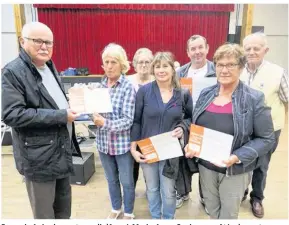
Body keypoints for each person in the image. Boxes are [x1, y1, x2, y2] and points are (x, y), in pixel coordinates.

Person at [185, 43, 275, 219]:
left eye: (231, 65)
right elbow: (197, 125)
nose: (224, 70)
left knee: (228, 215)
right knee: (211, 209)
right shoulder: (206, 93)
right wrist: (191, 144)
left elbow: (266, 139)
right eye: (220, 64)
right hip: (206, 166)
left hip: (234, 169)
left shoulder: (253, 98)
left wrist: (237, 156)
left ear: (241, 67)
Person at [1, 22, 82, 219]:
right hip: (38, 159)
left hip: (60, 152)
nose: (44, 46)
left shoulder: (48, 66)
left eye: (48, 42)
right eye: (38, 41)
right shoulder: (12, 72)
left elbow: (51, 102)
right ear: (22, 41)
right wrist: (62, 115)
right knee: (45, 215)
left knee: (63, 212)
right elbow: (12, 114)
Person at [130, 52, 193, 219]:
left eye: (165, 66)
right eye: (157, 66)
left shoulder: (183, 93)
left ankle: (168, 218)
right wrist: (133, 148)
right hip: (147, 148)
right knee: (151, 188)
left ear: (173, 69)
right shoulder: (144, 92)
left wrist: (182, 126)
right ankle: (156, 217)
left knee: (168, 190)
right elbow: (136, 121)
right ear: (153, 70)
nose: (161, 70)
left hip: (169, 151)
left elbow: (189, 118)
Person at [240, 32, 288, 218]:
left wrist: (279, 123)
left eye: (256, 48)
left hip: (268, 131)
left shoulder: (278, 72)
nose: (251, 52)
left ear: (265, 50)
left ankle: (257, 197)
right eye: (248, 48)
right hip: (243, 127)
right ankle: (241, 191)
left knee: (261, 165)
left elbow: (286, 100)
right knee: (242, 160)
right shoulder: (239, 69)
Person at [92, 43, 136, 219]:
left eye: (113, 62)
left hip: (122, 145)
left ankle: (129, 212)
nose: (109, 66)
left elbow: (127, 121)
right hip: (103, 143)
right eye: (106, 62)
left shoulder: (127, 87)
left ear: (122, 64)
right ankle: (116, 208)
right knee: (111, 180)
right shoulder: (100, 85)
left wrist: (104, 122)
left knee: (126, 182)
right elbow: (96, 115)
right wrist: (91, 113)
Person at [176, 34, 217, 209]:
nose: (197, 52)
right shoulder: (180, 73)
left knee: (206, 163)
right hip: (186, 123)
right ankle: (183, 193)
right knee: (183, 160)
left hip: (210, 123)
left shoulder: (217, 70)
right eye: (193, 48)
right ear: (187, 52)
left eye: (201, 47)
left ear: (207, 48)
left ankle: (205, 197)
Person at [127, 48, 154, 188]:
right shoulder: (127, 81)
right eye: (140, 62)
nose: (144, 65)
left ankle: (152, 194)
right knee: (132, 169)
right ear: (135, 64)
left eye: (147, 62)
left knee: (151, 171)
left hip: (151, 133)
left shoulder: (157, 81)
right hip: (131, 132)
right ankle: (130, 196)